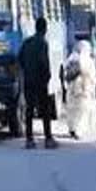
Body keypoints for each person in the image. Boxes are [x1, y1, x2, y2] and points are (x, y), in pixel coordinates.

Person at [18, 17, 58, 149]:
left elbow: (20, 59)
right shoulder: (43, 43)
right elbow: (44, 62)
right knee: (45, 110)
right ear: (45, 29)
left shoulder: (27, 42)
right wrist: (47, 77)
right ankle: (48, 139)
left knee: (29, 110)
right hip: (40, 81)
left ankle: (29, 140)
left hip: (28, 80)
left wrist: (27, 72)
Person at [64, 40, 96, 139]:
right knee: (82, 111)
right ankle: (78, 130)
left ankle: (72, 128)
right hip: (84, 88)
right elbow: (92, 76)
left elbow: (66, 72)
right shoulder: (88, 60)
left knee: (72, 110)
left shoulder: (72, 58)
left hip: (72, 89)